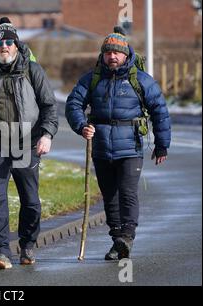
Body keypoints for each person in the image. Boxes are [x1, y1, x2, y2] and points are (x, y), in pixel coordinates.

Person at [65, 26, 171, 260]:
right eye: (108, 52)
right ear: (102, 55)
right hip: (101, 148)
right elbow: (73, 104)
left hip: (130, 147)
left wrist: (162, 144)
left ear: (126, 54)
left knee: (127, 193)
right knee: (109, 195)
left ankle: (128, 237)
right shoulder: (92, 79)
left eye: (117, 53)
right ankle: (117, 241)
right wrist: (82, 125)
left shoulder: (140, 80)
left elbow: (159, 111)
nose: (112, 56)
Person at [0, 17, 58, 269]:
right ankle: (2, 251)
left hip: (27, 144)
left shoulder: (32, 71)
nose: (3, 46)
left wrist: (46, 135)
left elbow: (49, 107)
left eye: (8, 42)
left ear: (16, 45)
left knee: (31, 200)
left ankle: (27, 244)